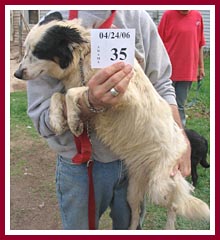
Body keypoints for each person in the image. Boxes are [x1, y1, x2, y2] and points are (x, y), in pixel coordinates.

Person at [27, 10, 191, 230]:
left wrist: (180, 137)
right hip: (81, 166)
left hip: (137, 156)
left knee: (132, 227)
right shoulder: (48, 29)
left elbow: (161, 83)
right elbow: (42, 119)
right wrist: (87, 103)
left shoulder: (138, 17)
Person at [158, 10, 206, 126]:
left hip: (187, 70)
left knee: (180, 105)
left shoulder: (197, 16)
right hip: (167, 70)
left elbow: (199, 44)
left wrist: (201, 67)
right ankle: (162, 129)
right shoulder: (168, 15)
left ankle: (180, 132)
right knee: (163, 104)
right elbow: (158, 42)